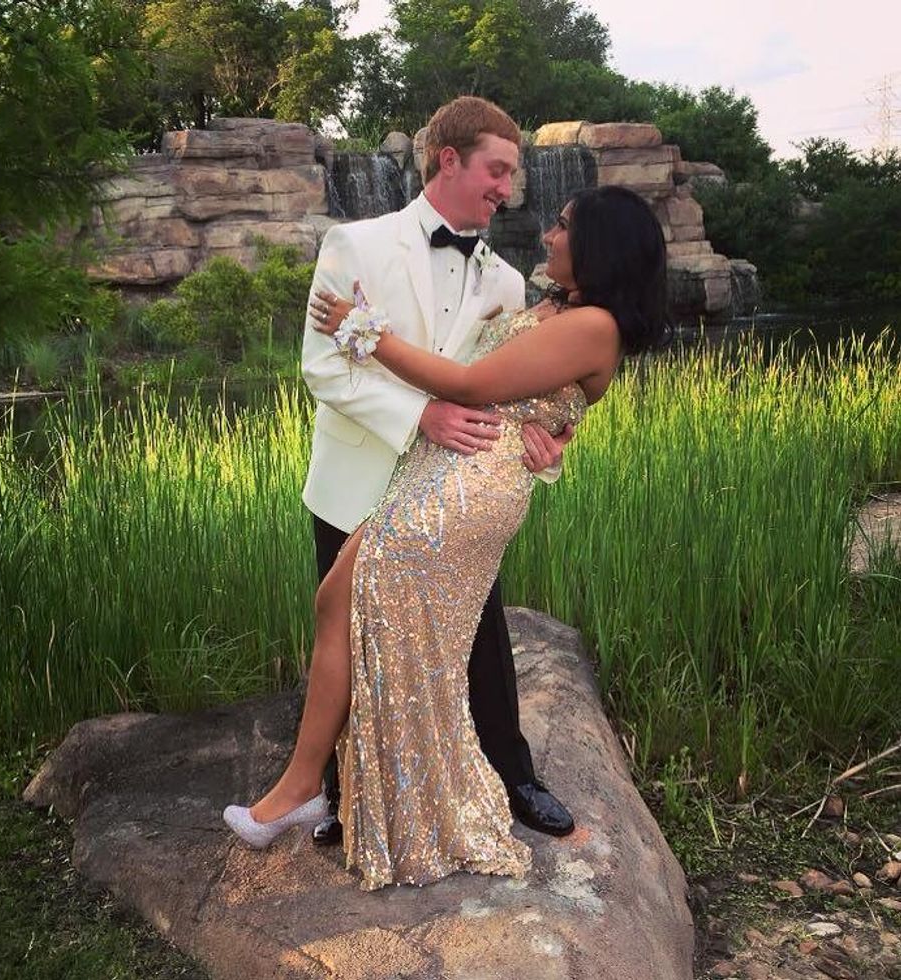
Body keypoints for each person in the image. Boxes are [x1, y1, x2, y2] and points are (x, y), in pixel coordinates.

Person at [223, 182, 669, 891]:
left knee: (391, 630)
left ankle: (365, 798)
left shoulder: (593, 325)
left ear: (601, 246)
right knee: (338, 601)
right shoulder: (555, 305)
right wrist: (555, 431)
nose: (547, 232)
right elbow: (542, 400)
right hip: (434, 472)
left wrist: (365, 333)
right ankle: (323, 785)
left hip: (465, 490)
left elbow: (468, 383)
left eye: (562, 225)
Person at [296, 96, 576, 847]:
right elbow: (322, 366)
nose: (507, 190)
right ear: (449, 159)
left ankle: (512, 774)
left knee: (480, 633)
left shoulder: (508, 285)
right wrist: (420, 416)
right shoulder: (352, 244)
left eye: (512, 175)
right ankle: (345, 796)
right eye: (497, 170)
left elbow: (521, 400)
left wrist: (548, 447)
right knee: (352, 633)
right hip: (356, 482)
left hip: (452, 491)